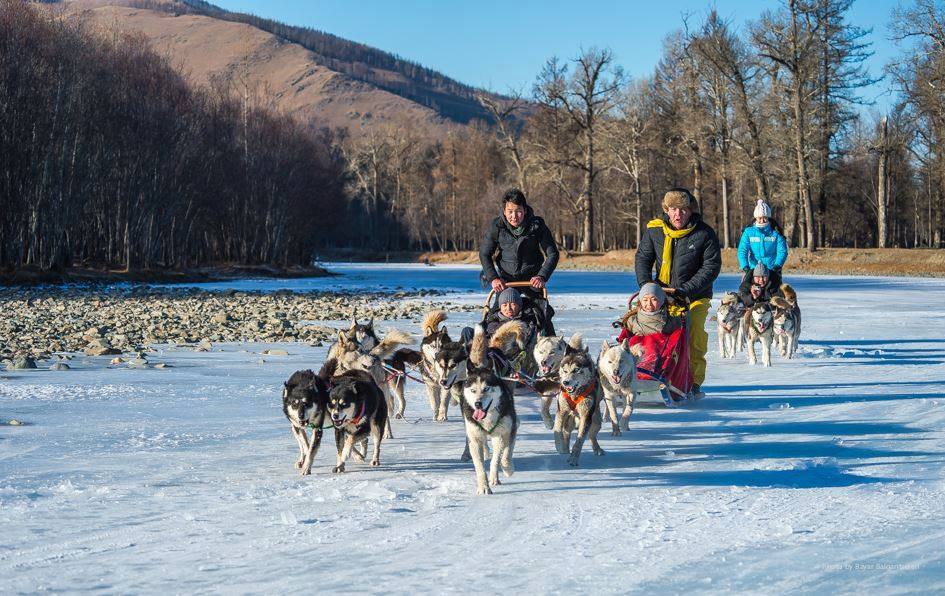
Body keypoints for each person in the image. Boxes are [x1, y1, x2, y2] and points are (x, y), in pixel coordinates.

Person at [635, 188, 721, 398]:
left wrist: (685, 290)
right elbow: (643, 259)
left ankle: (694, 382)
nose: (678, 214)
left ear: (690, 210)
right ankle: (651, 377)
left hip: (695, 296)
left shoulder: (704, 233)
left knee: (694, 336)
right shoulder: (655, 231)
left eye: (683, 210)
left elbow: (711, 267)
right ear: (667, 210)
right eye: (673, 209)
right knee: (655, 336)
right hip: (661, 295)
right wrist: (648, 287)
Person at [479, 188, 559, 333]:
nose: (514, 216)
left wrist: (542, 276)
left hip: (532, 280)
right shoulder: (497, 226)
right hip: (506, 280)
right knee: (494, 316)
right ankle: (489, 346)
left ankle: (551, 345)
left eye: (518, 211)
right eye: (510, 211)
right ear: (504, 211)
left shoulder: (537, 226)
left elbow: (552, 254)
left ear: (525, 210)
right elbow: (484, 254)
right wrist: (494, 278)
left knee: (543, 315)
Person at [737, 199, 788, 289]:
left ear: (768, 217)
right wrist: (745, 267)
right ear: (755, 218)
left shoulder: (776, 232)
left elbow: (782, 251)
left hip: (772, 268)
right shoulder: (748, 232)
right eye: (760, 218)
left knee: (774, 293)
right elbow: (742, 251)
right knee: (748, 292)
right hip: (753, 269)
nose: (762, 220)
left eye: (765, 217)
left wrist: (777, 266)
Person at [616, 283, 683, 340]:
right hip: (637, 353)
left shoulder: (671, 321)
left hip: (662, 353)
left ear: (661, 301)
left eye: (654, 300)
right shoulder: (632, 320)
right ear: (640, 302)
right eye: (645, 300)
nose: (649, 304)